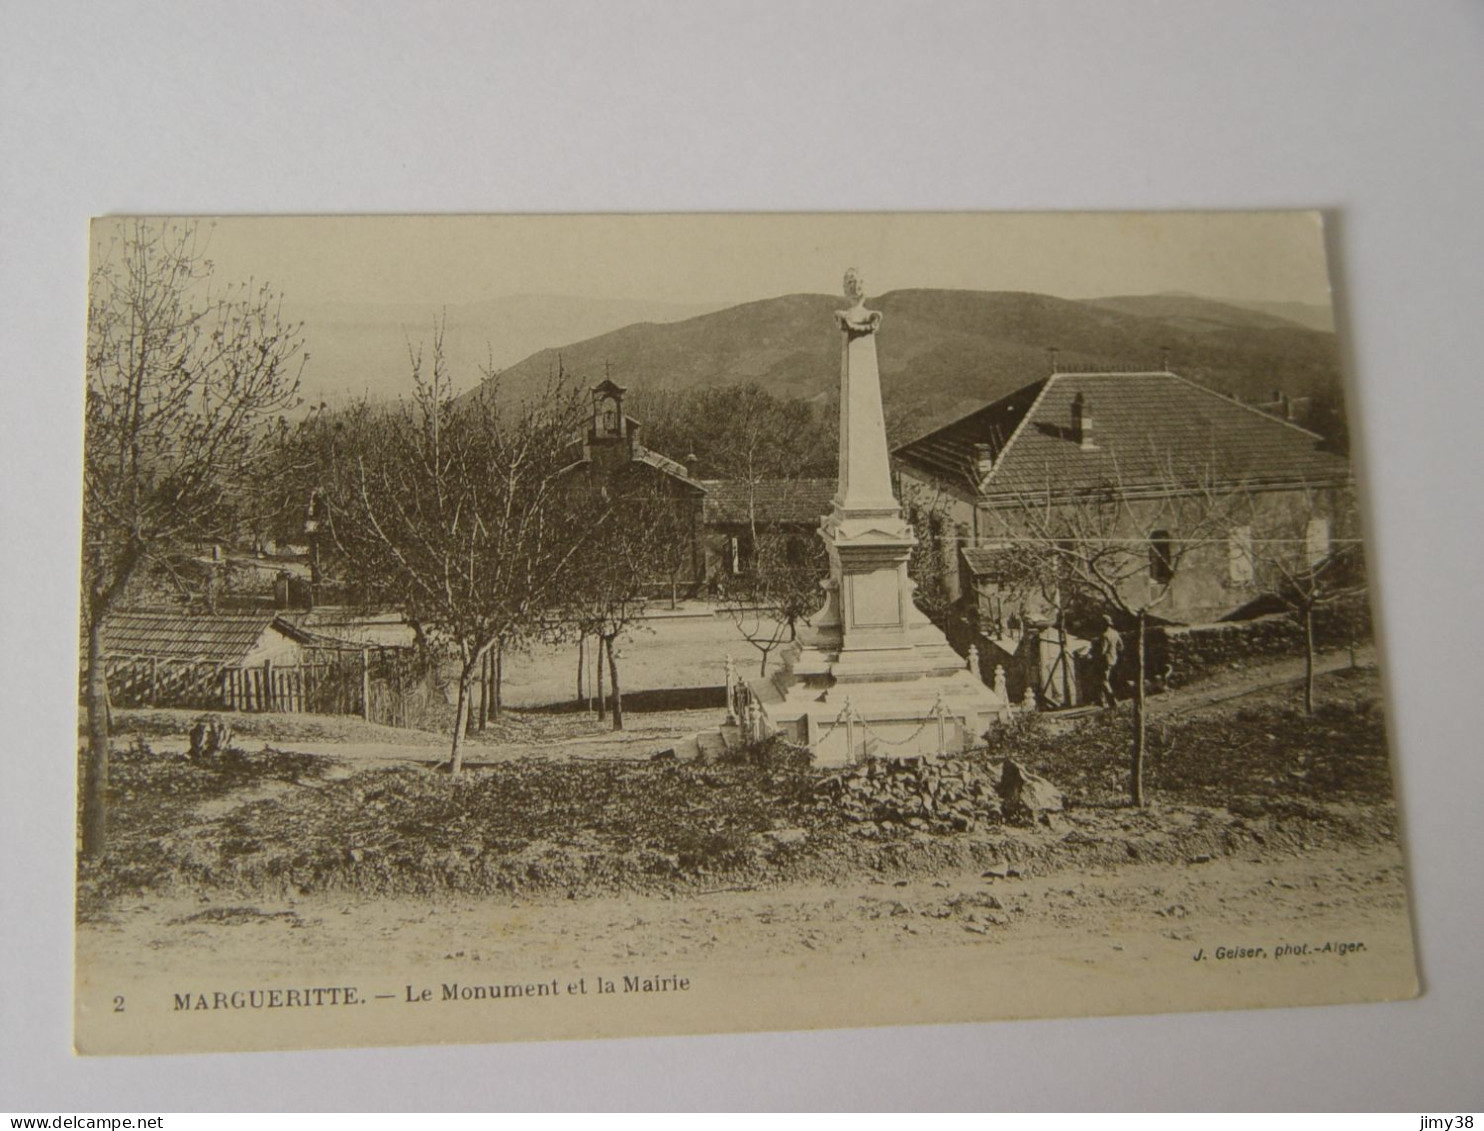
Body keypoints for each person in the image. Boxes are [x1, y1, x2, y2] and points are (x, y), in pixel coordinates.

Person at [1094, 614, 1123, 708]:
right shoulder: (1115, 633)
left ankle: (1113, 701)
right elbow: (1121, 646)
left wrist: (1093, 655)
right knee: (1104, 680)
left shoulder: (1104, 636)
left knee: (1104, 681)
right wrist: (1113, 651)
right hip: (1114, 658)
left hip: (1105, 660)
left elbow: (1102, 650)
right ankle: (1101, 701)